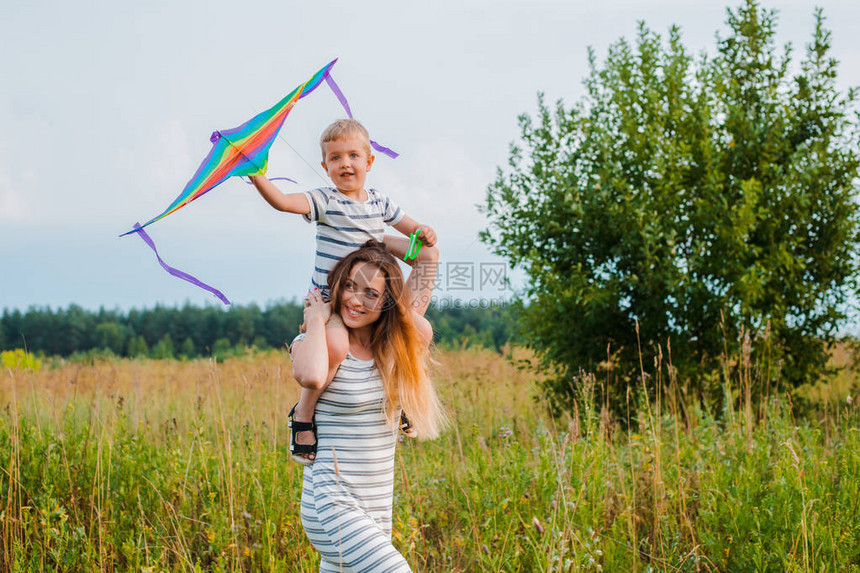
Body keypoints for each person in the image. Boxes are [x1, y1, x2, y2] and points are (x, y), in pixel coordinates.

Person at [249, 118, 437, 464]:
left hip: (372, 297)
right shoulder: (325, 200)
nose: (345, 164)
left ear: (369, 161)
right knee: (335, 345)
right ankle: (304, 414)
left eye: (353, 155)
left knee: (421, 330)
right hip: (332, 303)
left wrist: (423, 233)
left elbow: (414, 232)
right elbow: (284, 202)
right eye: (335, 158)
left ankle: (404, 397)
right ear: (324, 166)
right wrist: (257, 175)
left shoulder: (380, 202)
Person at [290, 240, 445, 572]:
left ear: (388, 301)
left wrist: (372, 234)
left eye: (370, 294)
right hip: (331, 504)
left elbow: (427, 256)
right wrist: (317, 320)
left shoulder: (394, 345)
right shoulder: (322, 343)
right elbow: (310, 376)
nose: (355, 300)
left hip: (375, 505)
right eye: (349, 286)